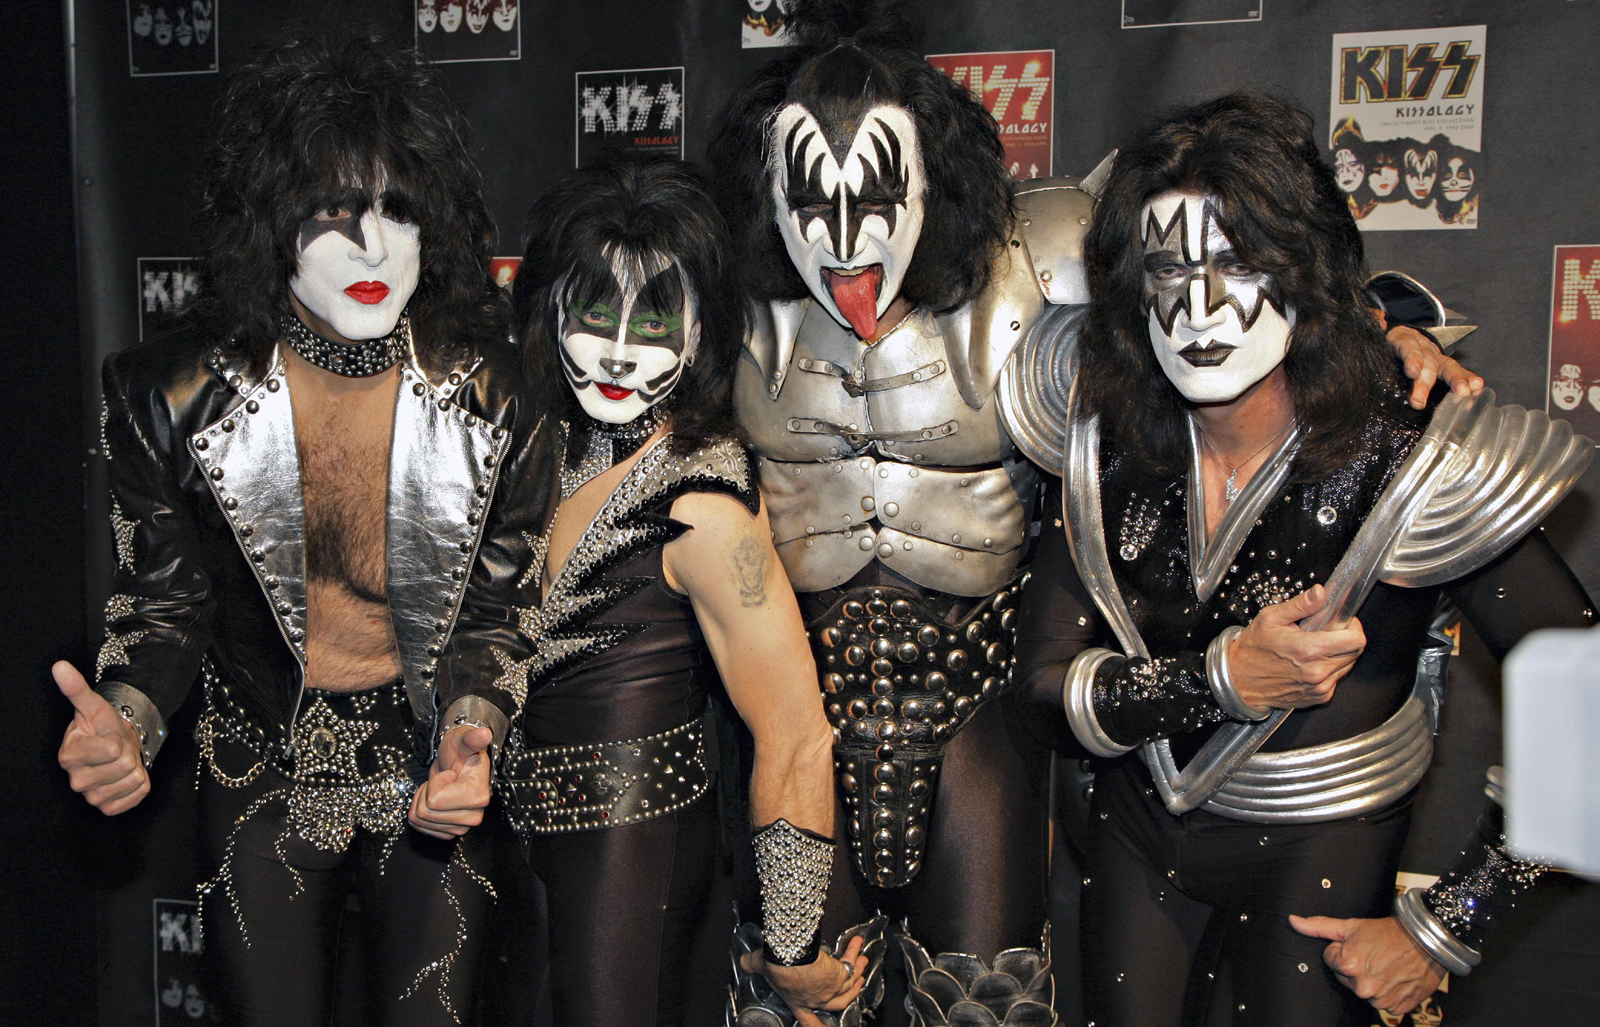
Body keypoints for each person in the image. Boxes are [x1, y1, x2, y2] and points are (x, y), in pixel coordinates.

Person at [707, 6, 1477, 1024]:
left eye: (877, 191)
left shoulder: (1035, 252)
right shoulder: (727, 286)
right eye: (811, 197)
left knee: (984, 999)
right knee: (793, 1001)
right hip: (796, 713)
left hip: (979, 696)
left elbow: (1226, 267)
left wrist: (1383, 336)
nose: (844, 232)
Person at [1011, 92, 1595, 1027]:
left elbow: (1585, 698)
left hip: (1322, 856)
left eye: (1238, 264)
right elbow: (1043, 689)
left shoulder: (1406, 451)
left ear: (1303, 268)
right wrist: (1219, 680)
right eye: (1169, 270)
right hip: (1134, 836)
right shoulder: (1106, 439)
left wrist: (1446, 927)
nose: (1199, 308)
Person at [53, 35, 533, 1024]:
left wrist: (473, 729)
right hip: (255, 759)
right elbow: (164, 604)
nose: (373, 248)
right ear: (270, 223)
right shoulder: (164, 395)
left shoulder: (498, 396)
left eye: (398, 210)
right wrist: (128, 721)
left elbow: (499, 608)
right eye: (332, 212)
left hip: (429, 762)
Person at [420, 153, 870, 1027]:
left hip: (635, 859)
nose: (622, 350)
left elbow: (794, 732)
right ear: (550, 308)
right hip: (508, 860)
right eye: (596, 312)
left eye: (657, 318)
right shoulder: (531, 449)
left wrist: (789, 948)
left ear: (702, 331)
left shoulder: (704, 507)